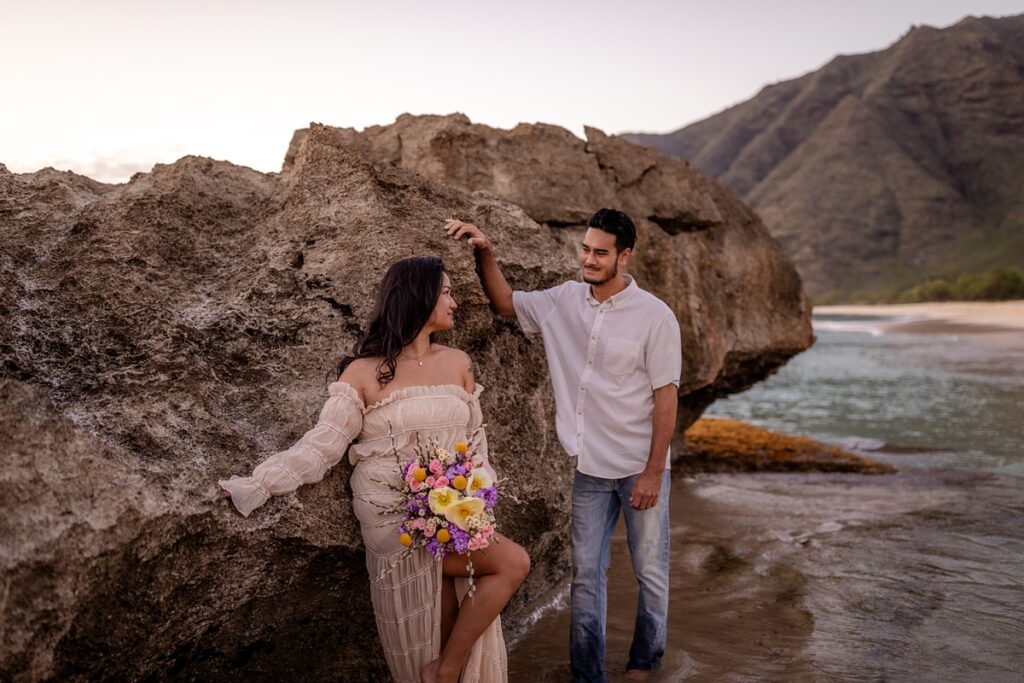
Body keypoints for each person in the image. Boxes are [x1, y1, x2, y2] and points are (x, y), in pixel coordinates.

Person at [219, 256, 530, 683]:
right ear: (419, 297)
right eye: (447, 291)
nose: (455, 301)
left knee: (452, 617)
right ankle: (443, 670)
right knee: (512, 563)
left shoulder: (458, 362)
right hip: (394, 514)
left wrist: (475, 501)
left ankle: (443, 669)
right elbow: (322, 445)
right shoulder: (364, 372)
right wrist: (258, 483)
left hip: (451, 508)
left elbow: (476, 444)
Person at [446, 210, 681, 683]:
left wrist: (654, 471)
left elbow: (666, 396)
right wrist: (486, 252)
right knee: (586, 577)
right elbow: (506, 303)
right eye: (586, 249)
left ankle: (644, 662)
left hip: (640, 466)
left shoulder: (656, 317)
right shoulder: (563, 301)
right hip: (589, 468)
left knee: (650, 572)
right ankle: (587, 673)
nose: (589, 260)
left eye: (601, 252)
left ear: (624, 256)